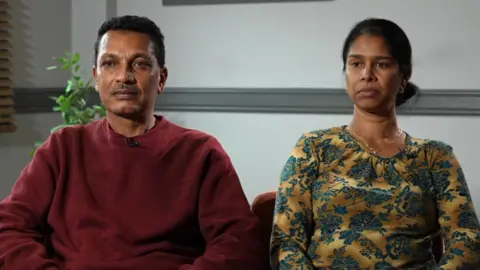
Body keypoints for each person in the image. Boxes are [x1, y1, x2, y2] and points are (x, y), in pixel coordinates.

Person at [0, 15, 263, 270]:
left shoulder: (200, 152)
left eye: (139, 64)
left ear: (161, 79)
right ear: (96, 77)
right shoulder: (63, 147)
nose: (123, 76)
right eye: (110, 63)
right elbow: (9, 226)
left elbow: (239, 243)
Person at [270, 17, 480, 269]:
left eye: (381, 64)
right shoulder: (314, 148)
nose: (367, 74)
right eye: (356, 64)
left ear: (404, 76)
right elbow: (286, 243)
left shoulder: (434, 157)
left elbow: (466, 239)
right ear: (346, 75)